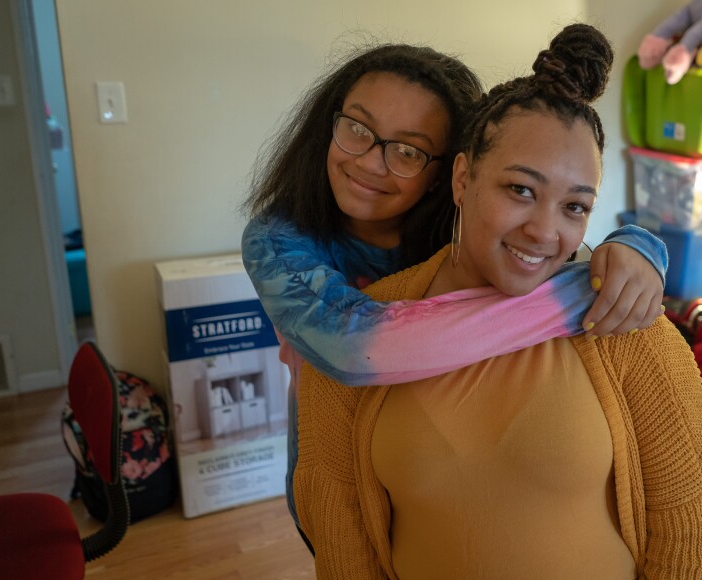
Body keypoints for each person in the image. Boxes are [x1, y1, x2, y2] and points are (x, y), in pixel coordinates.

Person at [292, 22, 702, 580]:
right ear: (462, 177)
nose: (544, 231)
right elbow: (338, 520)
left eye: (575, 207)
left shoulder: (623, 324)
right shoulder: (356, 336)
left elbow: (691, 510)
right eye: (520, 190)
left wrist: (639, 244)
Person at [241, 40, 669, 542]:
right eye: (357, 128)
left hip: (453, 476)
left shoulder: (471, 234)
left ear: (452, 173)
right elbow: (356, 347)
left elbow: (548, 240)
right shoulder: (277, 239)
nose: (372, 163)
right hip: (342, 475)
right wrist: (583, 295)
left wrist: (635, 248)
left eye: (408, 150)